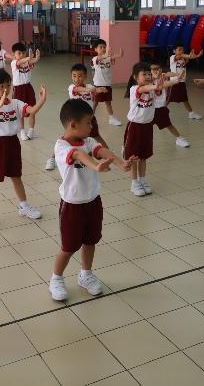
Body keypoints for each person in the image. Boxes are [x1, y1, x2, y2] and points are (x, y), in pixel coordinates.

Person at [49, 99, 134, 301]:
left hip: (93, 202)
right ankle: (56, 278)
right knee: (68, 247)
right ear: (73, 125)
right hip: (72, 205)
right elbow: (78, 155)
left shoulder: (88, 141)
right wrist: (96, 166)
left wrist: (120, 163)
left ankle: (85, 275)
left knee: (90, 241)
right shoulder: (61, 146)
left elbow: (101, 150)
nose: (91, 127)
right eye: (88, 123)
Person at [0, 69, 47, 232]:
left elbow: (31, 111)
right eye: (1, 86)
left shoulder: (16, 103)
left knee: (16, 176)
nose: (6, 89)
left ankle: (23, 206)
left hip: (12, 143)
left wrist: (42, 99)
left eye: (8, 86)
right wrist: (0, 104)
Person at [45, 63, 109, 171]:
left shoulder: (89, 87)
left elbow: (93, 95)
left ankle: (109, 156)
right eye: (74, 76)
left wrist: (99, 90)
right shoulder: (72, 88)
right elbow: (80, 90)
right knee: (65, 139)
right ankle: (52, 159)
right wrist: (92, 90)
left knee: (97, 136)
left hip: (89, 119)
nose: (76, 79)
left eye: (80, 76)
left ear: (85, 76)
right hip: (75, 120)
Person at [124, 62, 162, 197]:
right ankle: (134, 182)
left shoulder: (152, 88)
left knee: (143, 156)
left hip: (147, 126)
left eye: (149, 74)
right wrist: (156, 84)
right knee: (134, 157)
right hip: (135, 127)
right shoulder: (135, 89)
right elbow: (145, 88)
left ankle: (142, 180)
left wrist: (175, 80)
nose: (147, 76)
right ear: (135, 77)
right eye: (144, 74)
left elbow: (160, 87)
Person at [150, 61, 190, 147]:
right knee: (144, 127)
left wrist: (177, 74)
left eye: (157, 69)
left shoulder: (162, 76)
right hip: (149, 109)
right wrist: (154, 76)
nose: (156, 71)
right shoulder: (148, 79)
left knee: (168, 125)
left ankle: (179, 139)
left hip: (161, 108)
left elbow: (168, 74)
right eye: (153, 69)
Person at [10, 42, 42, 140]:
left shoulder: (27, 62)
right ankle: (22, 132)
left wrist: (36, 58)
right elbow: (20, 62)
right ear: (13, 54)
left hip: (28, 87)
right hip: (18, 89)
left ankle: (31, 130)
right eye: (19, 53)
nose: (21, 55)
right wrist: (28, 57)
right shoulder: (14, 63)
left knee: (32, 109)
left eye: (23, 53)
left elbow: (32, 61)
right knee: (20, 112)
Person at [91, 38, 124, 126]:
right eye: (101, 47)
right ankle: (90, 118)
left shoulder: (107, 59)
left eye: (104, 47)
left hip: (107, 85)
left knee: (108, 102)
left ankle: (111, 118)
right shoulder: (95, 59)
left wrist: (119, 54)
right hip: (98, 85)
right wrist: (107, 55)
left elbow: (113, 57)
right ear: (95, 49)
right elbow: (101, 57)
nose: (103, 49)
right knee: (95, 103)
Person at [168, 43, 203, 120]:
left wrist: (193, 56)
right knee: (169, 99)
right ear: (174, 51)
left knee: (184, 99)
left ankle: (191, 113)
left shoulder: (183, 59)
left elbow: (187, 59)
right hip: (174, 82)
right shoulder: (173, 57)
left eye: (183, 50)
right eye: (179, 50)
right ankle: (159, 112)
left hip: (182, 82)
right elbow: (182, 56)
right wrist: (194, 56)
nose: (181, 51)